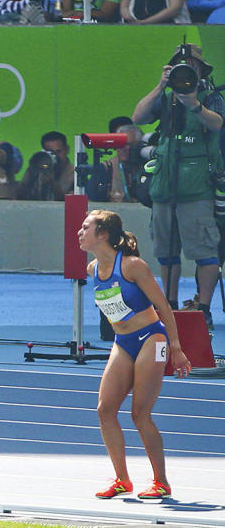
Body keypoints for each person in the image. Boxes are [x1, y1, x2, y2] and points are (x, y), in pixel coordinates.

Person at [78, 209, 191, 501]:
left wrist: (176, 348)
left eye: (86, 227)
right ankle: (121, 479)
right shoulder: (92, 269)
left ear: (102, 234)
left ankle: (161, 482)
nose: (80, 232)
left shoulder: (132, 266)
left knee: (140, 414)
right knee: (105, 410)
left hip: (151, 338)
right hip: (122, 341)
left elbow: (164, 307)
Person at [131, 43, 222, 330]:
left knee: (205, 251)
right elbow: (138, 117)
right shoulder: (166, 97)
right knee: (166, 251)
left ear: (199, 68)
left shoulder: (211, 96)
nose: (185, 69)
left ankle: (203, 308)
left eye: (189, 65)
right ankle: (167, 304)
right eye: (179, 65)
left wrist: (193, 102)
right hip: (165, 185)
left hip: (197, 188)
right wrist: (161, 86)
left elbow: (218, 124)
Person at [41, 130, 74, 194]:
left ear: (67, 149)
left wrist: (53, 184)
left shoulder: (76, 174)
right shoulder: (39, 169)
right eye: (50, 153)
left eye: (58, 152)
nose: (54, 156)